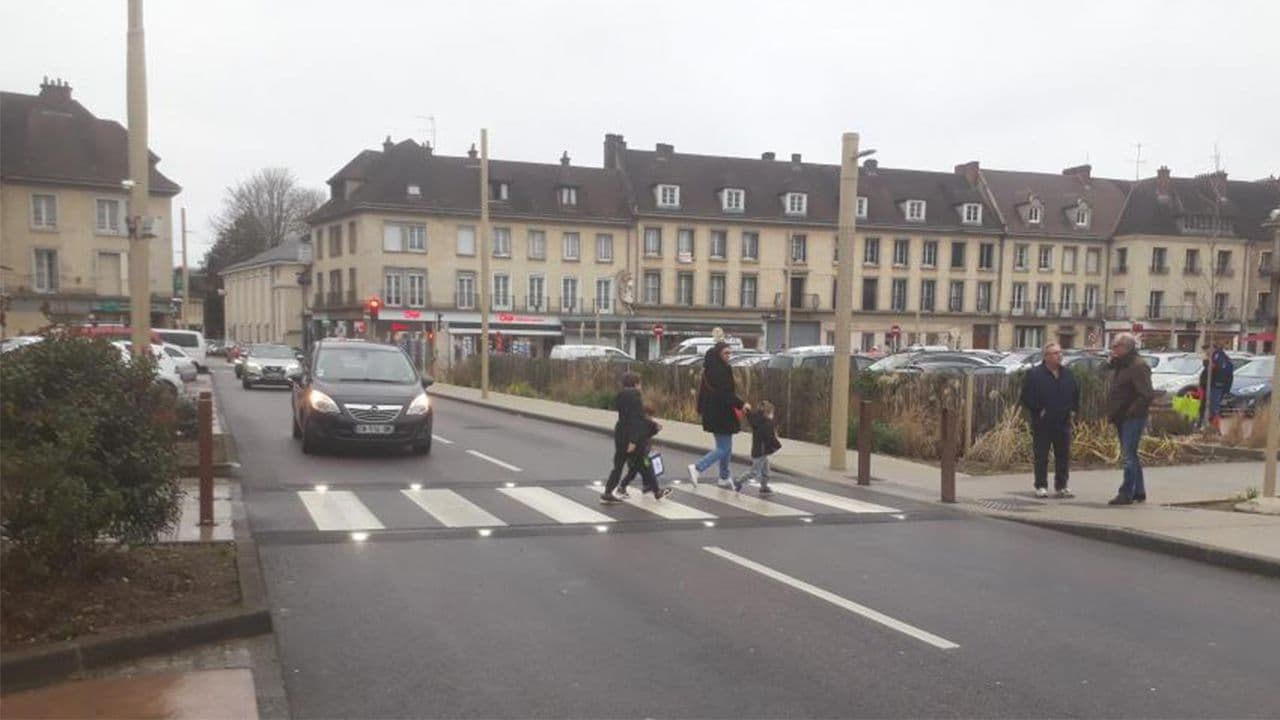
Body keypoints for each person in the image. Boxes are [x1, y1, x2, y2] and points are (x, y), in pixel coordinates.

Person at [1019, 342, 1080, 498]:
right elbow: (1026, 397)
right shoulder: (1035, 374)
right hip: (1043, 421)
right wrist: (1039, 409)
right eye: (1054, 353)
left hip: (1063, 420)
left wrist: (1073, 410)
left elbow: (1075, 393)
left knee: (1063, 454)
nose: (1059, 356)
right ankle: (1041, 485)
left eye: (1060, 352)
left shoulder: (1067, 374)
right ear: (1046, 356)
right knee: (1042, 455)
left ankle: (1062, 485)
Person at [602, 372, 672, 502]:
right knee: (645, 464)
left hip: (621, 435)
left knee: (619, 467)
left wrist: (652, 424)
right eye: (640, 383)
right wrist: (634, 441)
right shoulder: (635, 398)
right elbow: (636, 420)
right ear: (635, 384)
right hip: (632, 439)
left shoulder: (620, 396)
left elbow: (630, 418)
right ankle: (656, 491)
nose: (641, 386)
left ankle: (608, 492)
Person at [688, 342, 748, 488]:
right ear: (718, 354)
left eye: (730, 353)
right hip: (720, 413)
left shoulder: (710, 369)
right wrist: (741, 404)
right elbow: (725, 394)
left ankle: (724, 476)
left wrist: (701, 410)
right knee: (723, 448)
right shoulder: (720, 371)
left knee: (725, 447)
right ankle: (698, 467)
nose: (729, 356)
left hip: (715, 412)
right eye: (726, 353)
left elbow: (703, 393)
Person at [1106, 333, 1156, 505]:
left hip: (1132, 417)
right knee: (1131, 454)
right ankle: (1138, 491)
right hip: (1121, 415)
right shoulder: (1121, 364)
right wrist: (1110, 363)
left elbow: (1146, 394)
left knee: (1128, 455)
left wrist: (1130, 411)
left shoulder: (1137, 365)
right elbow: (1106, 377)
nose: (1112, 350)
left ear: (1125, 347)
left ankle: (1126, 492)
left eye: (1115, 347)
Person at [733, 400, 781, 494]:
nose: (773, 415)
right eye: (772, 413)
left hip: (758, 450)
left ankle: (764, 486)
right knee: (754, 472)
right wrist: (777, 445)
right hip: (761, 452)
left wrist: (748, 412)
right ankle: (738, 481)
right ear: (767, 413)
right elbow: (770, 437)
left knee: (766, 470)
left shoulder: (756, 420)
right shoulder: (767, 424)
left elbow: (750, 416)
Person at [616, 405, 661, 498]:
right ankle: (657, 492)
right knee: (649, 470)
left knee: (633, 472)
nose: (651, 418)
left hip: (636, 454)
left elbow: (647, 436)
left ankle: (624, 487)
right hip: (639, 454)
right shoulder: (640, 424)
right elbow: (656, 428)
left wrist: (649, 447)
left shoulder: (639, 423)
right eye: (650, 416)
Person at [1197, 342, 1234, 430]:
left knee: (1214, 407)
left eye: (1206, 350)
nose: (1205, 352)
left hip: (1215, 385)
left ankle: (1215, 428)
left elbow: (1214, 369)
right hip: (1212, 385)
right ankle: (1207, 426)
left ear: (1211, 348)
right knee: (1209, 407)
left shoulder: (1218, 357)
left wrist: (1206, 361)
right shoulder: (1218, 356)